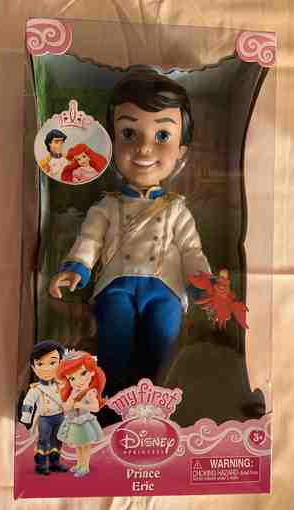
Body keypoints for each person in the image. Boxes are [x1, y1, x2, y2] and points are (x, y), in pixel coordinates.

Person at [48, 71, 211, 411]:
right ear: (111, 143)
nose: (144, 148)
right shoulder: (107, 205)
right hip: (116, 284)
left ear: (181, 151)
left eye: (162, 135)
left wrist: (201, 283)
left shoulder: (176, 209)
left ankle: (156, 405)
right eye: (128, 133)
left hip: (165, 287)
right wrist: (77, 267)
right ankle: (112, 404)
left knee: (163, 341)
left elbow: (191, 250)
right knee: (114, 340)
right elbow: (90, 239)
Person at [20, 340, 68, 475]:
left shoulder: (61, 385)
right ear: (34, 367)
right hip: (44, 418)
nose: (46, 368)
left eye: (52, 363)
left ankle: (54, 463)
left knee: (58, 439)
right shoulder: (36, 389)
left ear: (61, 363)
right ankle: (41, 464)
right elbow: (28, 403)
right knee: (43, 440)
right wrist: (26, 418)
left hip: (60, 416)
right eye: (40, 364)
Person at [56, 351, 105, 478]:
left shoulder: (90, 392)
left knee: (85, 446)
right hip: (74, 422)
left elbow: (95, 408)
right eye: (72, 378)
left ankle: (85, 466)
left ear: (92, 372)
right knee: (78, 445)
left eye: (83, 373)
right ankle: (79, 464)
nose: (78, 381)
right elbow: (67, 407)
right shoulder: (73, 392)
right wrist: (67, 401)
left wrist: (81, 405)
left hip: (85, 423)